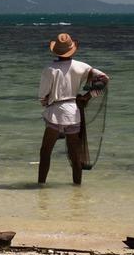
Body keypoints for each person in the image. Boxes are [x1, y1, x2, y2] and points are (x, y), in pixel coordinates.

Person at [37, 33, 108, 185]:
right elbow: (104, 79)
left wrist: (46, 103)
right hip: (73, 114)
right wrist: (88, 96)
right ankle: (77, 190)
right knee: (75, 155)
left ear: (55, 51)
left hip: (55, 114)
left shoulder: (49, 69)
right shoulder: (81, 66)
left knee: (45, 152)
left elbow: (42, 97)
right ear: (72, 50)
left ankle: (41, 187)